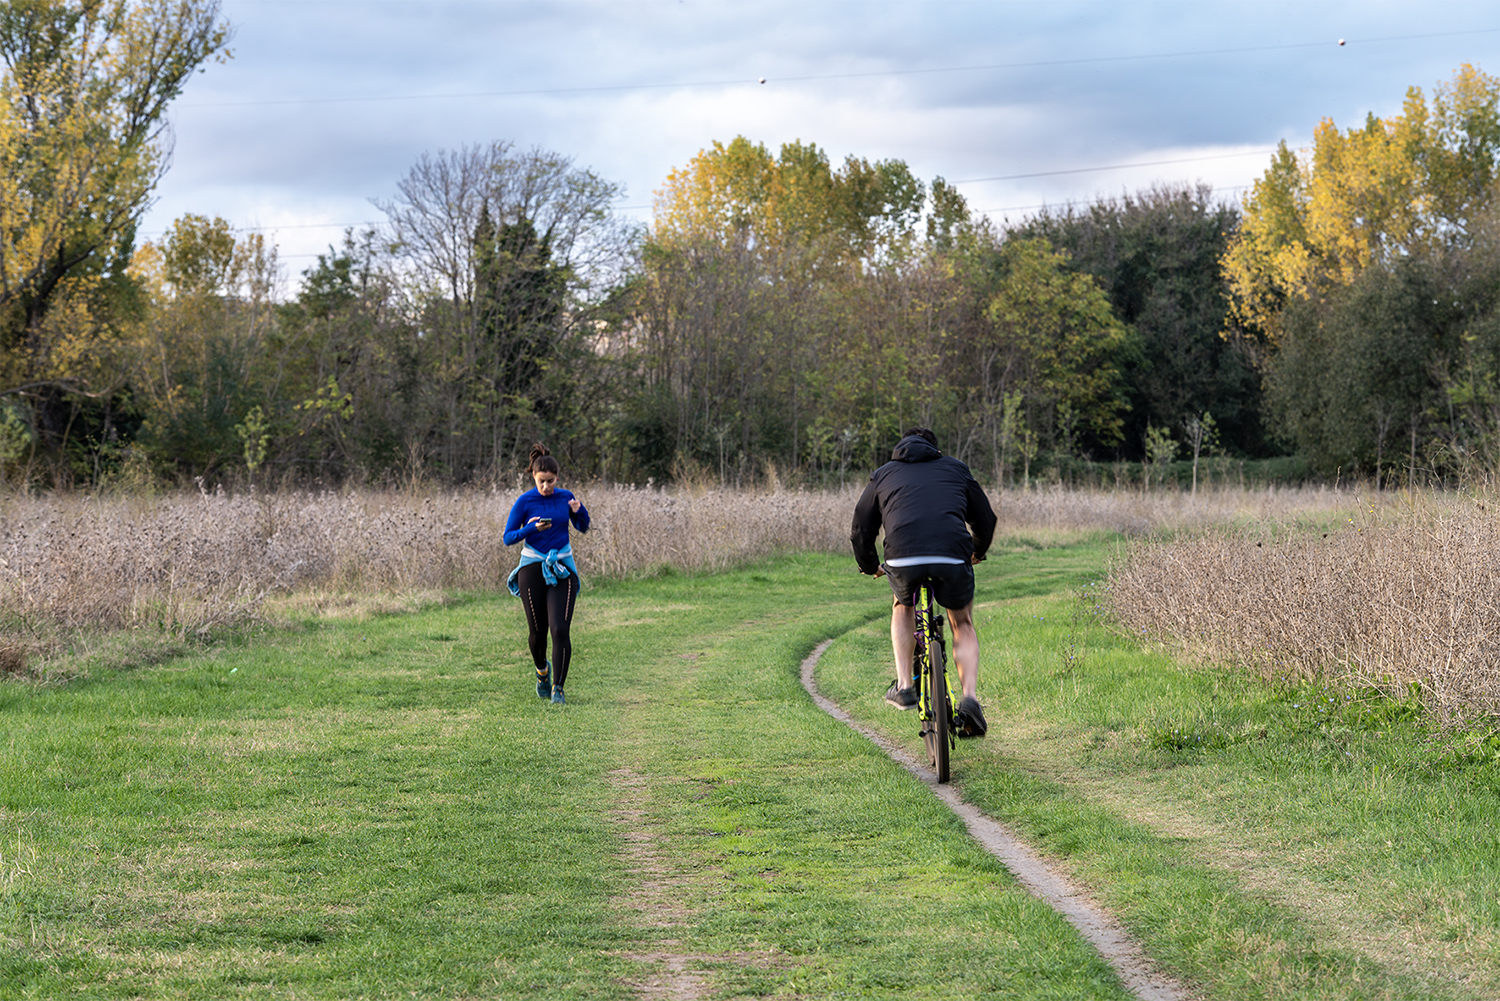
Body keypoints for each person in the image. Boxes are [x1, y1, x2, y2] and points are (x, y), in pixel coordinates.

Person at [850, 427, 997, 737]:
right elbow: (985, 518)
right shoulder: (956, 468)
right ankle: (969, 698)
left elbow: (862, 528)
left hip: (902, 556)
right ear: (935, 449)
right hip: (952, 554)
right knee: (963, 623)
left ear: (900, 447)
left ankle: (904, 686)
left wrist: (869, 566)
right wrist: (976, 552)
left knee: (902, 605)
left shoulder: (883, 474)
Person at [505, 443, 590, 705]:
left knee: (560, 628)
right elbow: (509, 538)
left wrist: (579, 511)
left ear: (558, 478)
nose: (546, 487)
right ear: (533, 476)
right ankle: (542, 672)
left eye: (550, 481)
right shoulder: (525, 501)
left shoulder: (566, 496)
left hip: (562, 566)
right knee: (537, 631)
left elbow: (584, 526)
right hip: (531, 566)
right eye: (541, 482)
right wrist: (530, 529)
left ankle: (558, 689)